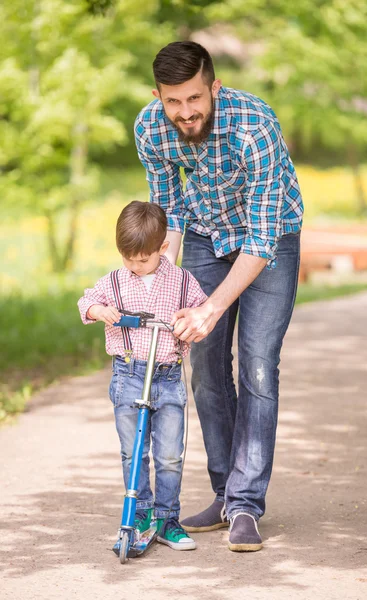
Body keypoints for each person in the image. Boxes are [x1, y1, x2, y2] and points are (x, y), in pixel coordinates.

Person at [134, 41, 304, 553]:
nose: (185, 113)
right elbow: (167, 211)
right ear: (158, 96)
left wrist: (211, 306)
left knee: (256, 365)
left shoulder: (255, 126)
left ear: (214, 87)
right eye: (173, 102)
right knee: (205, 363)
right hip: (206, 237)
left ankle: (247, 504)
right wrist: (166, 289)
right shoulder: (150, 128)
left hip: (269, 238)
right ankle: (224, 491)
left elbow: (260, 238)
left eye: (194, 98)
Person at [77, 200, 207, 551]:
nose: (135, 266)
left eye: (143, 259)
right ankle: (141, 513)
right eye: (128, 258)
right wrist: (99, 309)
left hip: (167, 375)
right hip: (129, 372)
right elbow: (84, 302)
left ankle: (167, 519)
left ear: (163, 248)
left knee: (169, 453)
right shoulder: (116, 281)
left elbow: (201, 312)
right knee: (133, 450)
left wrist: (190, 321)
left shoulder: (181, 281)